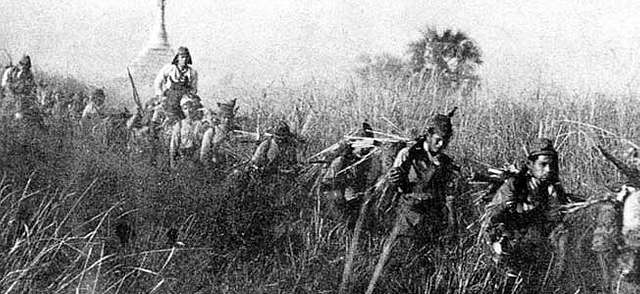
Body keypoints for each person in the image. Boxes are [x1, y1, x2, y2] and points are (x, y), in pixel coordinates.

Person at [363, 110, 460, 294]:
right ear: (428, 134)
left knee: (428, 266)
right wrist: (394, 179)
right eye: (438, 140)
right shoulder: (408, 154)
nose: (441, 145)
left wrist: (452, 223)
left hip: (433, 219)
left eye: (445, 142)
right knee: (402, 262)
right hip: (409, 216)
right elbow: (394, 185)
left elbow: (449, 195)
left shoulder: (446, 163)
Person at [482, 138, 569, 292]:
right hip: (512, 246)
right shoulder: (514, 186)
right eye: (543, 164)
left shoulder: (552, 190)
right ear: (530, 165)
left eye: (551, 165)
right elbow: (491, 217)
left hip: (539, 247)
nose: (548, 169)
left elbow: (556, 222)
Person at [321, 122, 378, 223]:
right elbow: (327, 186)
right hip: (337, 201)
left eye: (368, 147)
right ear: (353, 146)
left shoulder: (366, 161)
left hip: (355, 199)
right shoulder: (339, 162)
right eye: (363, 146)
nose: (366, 149)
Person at [153, 46, 198, 121]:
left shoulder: (192, 72)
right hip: (169, 95)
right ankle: (153, 129)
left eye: (186, 57)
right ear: (177, 58)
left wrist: (189, 95)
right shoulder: (169, 68)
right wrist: (160, 94)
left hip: (184, 96)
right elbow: (158, 81)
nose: (184, 59)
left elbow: (193, 87)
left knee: (191, 112)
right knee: (158, 112)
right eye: (182, 57)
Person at [169, 93, 210, 169]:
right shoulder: (179, 125)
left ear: (195, 108)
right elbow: (174, 144)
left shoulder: (200, 124)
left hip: (196, 157)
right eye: (185, 108)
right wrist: (172, 161)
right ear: (182, 110)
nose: (189, 111)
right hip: (183, 157)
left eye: (191, 107)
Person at [200, 98, 237, 166]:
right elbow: (203, 156)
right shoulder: (211, 133)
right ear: (220, 117)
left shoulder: (235, 132)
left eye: (229, 117)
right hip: (216, 168)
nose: (227, 120)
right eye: (224, 117)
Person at [1, 55, 38, 121]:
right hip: (9, 96)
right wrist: (12, 92)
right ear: (20, 64)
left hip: (21, 98)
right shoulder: (10, 71)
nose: (24, 68)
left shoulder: (29, 74)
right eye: (23, 65)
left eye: (26, 66)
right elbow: (4, 85)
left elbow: (32, 87)